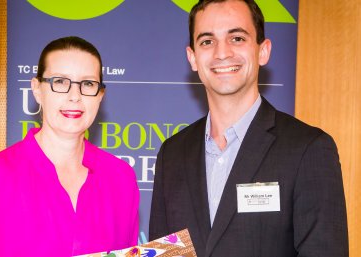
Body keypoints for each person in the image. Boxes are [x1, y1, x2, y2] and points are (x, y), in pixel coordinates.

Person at [149, 1, 348, 256]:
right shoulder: (172, 154)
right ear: (193, 58)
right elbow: (166, 253)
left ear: (263, 51)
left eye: (237, 38)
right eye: (207, 41)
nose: (222, 52)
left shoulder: (308, 149)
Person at [0, 36, 139, 257]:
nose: (75, 96)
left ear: (100, 95)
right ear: (37, 89)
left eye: (88, 84)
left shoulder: (121, 178)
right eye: (60, 82)